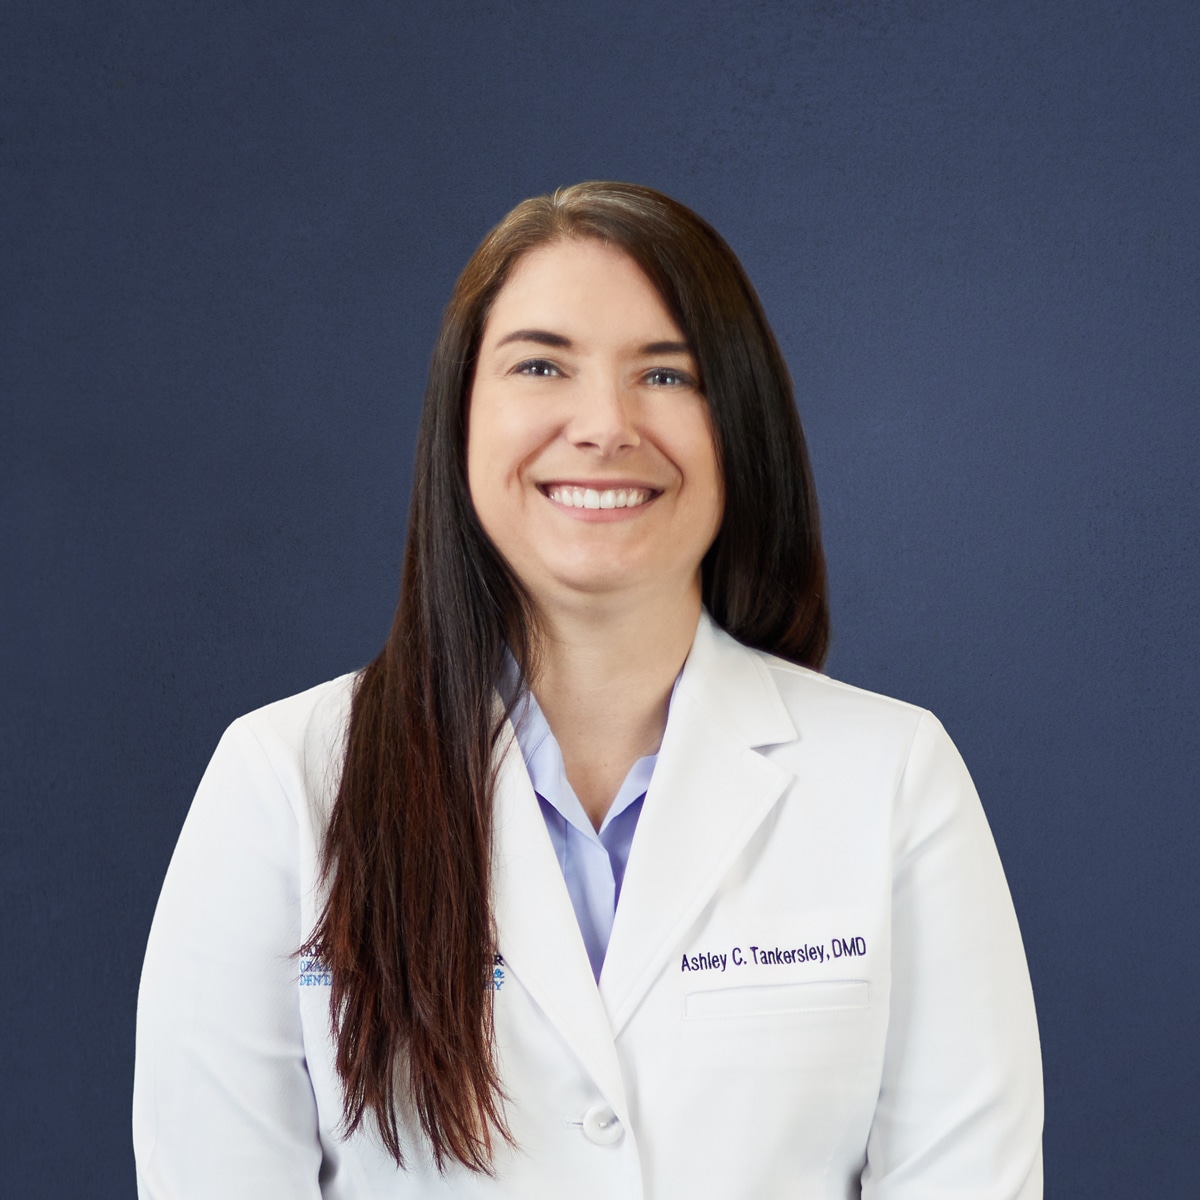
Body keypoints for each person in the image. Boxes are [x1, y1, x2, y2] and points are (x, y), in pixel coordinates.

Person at [133, 181, 1043, 1198]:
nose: (604, 425)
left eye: (666, 373)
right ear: (459, 420)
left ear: (740, 425)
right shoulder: (284, 786)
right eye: (539, 365)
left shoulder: (893, 779)